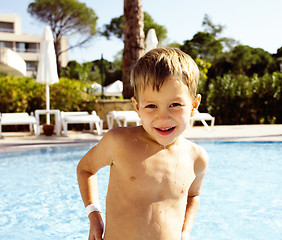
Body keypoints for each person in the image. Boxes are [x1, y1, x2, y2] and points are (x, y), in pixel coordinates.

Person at [77, 48, 209, 240]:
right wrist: (94, 215)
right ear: (137, 107)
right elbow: (85, 169)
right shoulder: (119, 142)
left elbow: (193, 196)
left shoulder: (197, 158)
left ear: (194, 106)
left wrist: (185, 231)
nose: (163, 117)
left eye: (175, 105)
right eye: (151, 106)